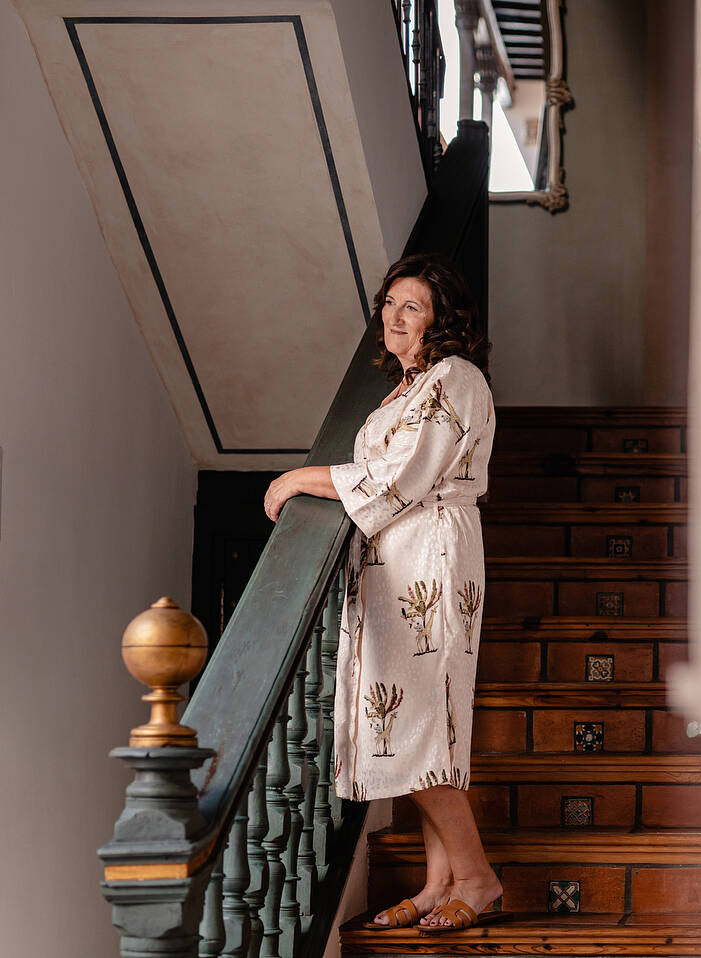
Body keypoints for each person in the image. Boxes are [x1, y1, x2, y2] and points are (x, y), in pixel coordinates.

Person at [262, 253, 502, 932]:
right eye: (390, 303)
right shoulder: (406, 386)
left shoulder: (456, 378)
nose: (395, 317)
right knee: (421, 725)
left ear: (442, 320)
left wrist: (300, 479)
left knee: (424, 722)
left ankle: (477, 878)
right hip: (394, 559)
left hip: (432, 555)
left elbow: (403, 476)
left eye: (413, 307)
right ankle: (438, 882)